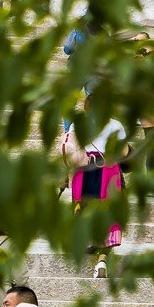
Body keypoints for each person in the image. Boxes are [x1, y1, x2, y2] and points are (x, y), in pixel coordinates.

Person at [61, 112, 129, 277]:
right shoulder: (115, 124)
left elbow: (69, 150)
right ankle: (102, 260)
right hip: (108, 170)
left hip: (84, 170)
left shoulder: (78, 124)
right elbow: (124, 153)